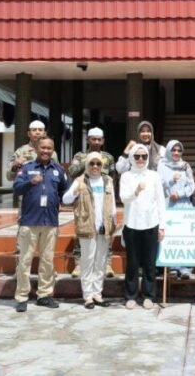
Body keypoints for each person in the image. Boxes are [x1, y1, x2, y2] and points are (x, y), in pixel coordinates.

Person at [11, 137, 69, 312]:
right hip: (30, 221)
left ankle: (44, 295)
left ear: (53, 150)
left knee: (47, 261)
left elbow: (65, 191)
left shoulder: (58, 170)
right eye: (42, 148)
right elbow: (16, 189)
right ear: (36, 149)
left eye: (49, 148)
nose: (45, 151)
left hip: (50, 221)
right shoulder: (27, 168)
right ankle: (22, 297)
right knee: (25, 260)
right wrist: (31, 182)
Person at [62, 151, 117, 309]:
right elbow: (65, 199)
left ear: (102, 166)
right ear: (87, 165)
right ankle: (87, 296)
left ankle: (97, 295)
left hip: (104, 227)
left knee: (100, 262)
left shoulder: (107, 181)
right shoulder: (80, 180)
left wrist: (113, 223)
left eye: (98, 164)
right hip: (87, 226)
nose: (95, 166)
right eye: (92, 163)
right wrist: (75, 192)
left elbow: (112, 204)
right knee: (88, 262)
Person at [119, 143, 166, 309]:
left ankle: (148, 296)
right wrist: (136, 192)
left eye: (144, 156)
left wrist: (162, 226)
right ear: (132, 157)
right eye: (137, 156)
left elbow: (160, 201)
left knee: (149, 263)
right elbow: (124, 198)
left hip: (151, 223)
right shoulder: (126, 176)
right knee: (132, 262)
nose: (140, 159)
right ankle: (130, 295)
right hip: (131, 224)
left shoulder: (154, 175)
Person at [68, 126, 117, 279]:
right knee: (82, 228)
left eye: (99, 139)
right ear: (87, 139)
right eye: (93, 139)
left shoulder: (108, 157)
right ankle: (79, 264)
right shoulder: (79, 155)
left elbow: (113, 176)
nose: (96, 142)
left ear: (103, 141)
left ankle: (107, 263)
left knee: (106, 230)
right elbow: (72, 172)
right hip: (84, 198)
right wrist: (87, 161)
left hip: (102, 198)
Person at [158, 139, 195, 279]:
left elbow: (192, 185)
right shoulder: (162, 165)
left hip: (184, 205)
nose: (176, 152)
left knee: (185, 236)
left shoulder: (185, 165)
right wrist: (171, 181)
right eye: (173, 150)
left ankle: (186, 268)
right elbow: (158, 184)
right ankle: (173, 267)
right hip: (169, 205)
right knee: (171, 236)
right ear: (168, 150)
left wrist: (180, 193)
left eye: (179, 150)